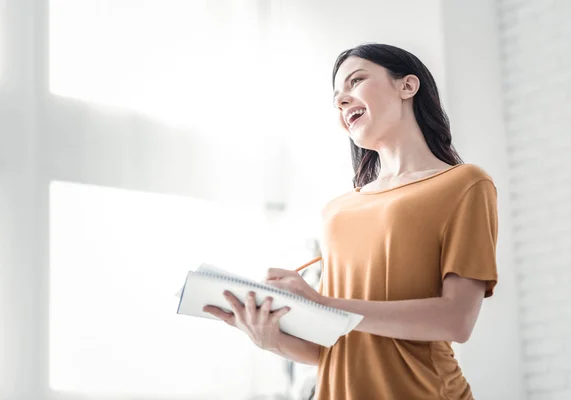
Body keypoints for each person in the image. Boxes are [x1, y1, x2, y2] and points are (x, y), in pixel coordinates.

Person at [203, 43, 498, 400]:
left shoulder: (464, 185)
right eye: (336, 98)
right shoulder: (337, 211)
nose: (343, 101)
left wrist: (323, 303)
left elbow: (456, 320)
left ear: (407, 86)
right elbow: (334, 348)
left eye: (356, 82)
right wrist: (272, 339)